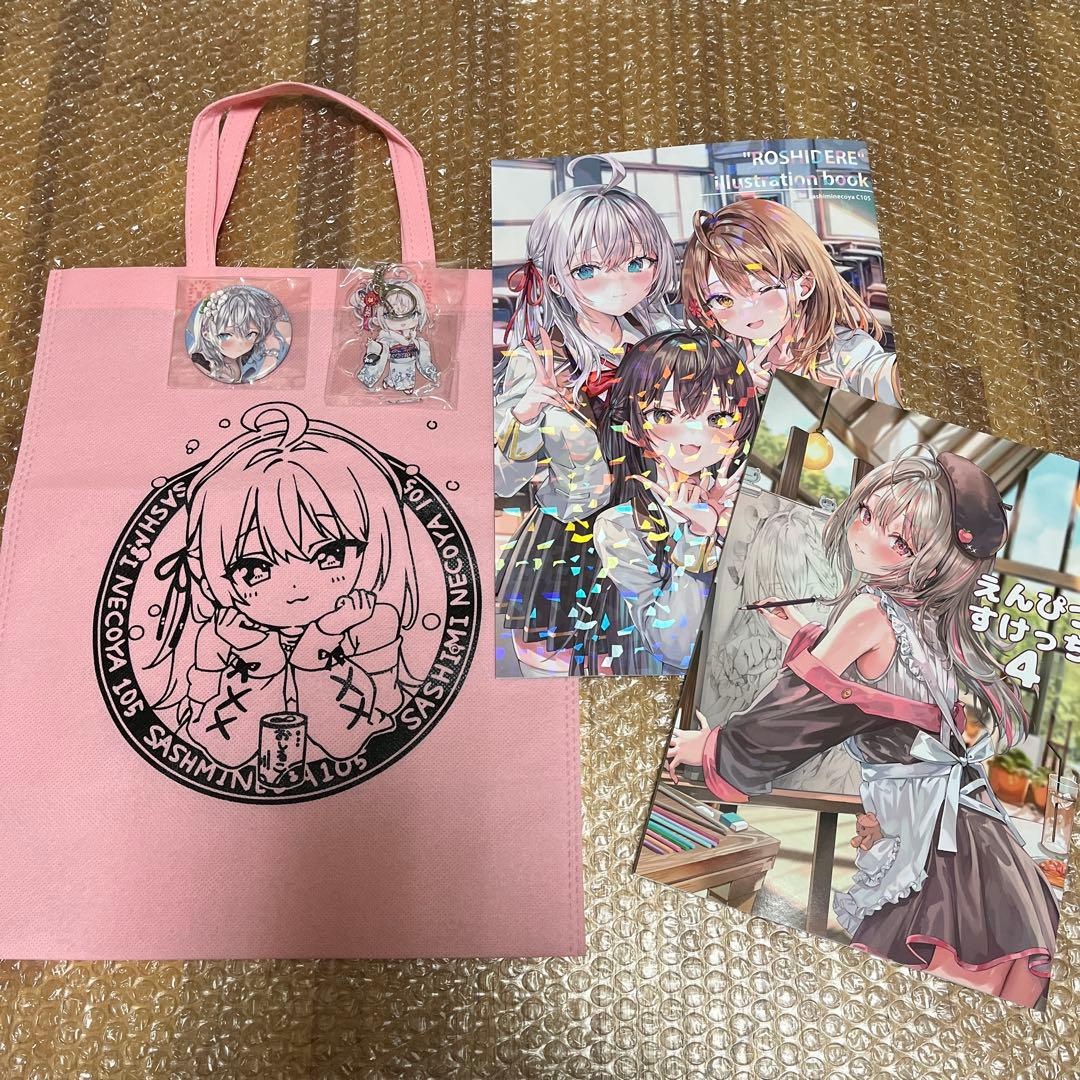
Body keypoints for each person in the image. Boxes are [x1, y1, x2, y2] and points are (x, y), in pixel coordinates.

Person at [666, 449, 1058, 1007]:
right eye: (867, 513)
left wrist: (712, 745)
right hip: (974, 843)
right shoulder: (929, 623)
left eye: (900, 541)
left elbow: (801, 712)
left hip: (940, 854)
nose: (866, 535)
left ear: (937, 563)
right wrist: (804, 635)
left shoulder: (872, 609)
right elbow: (884, 701)